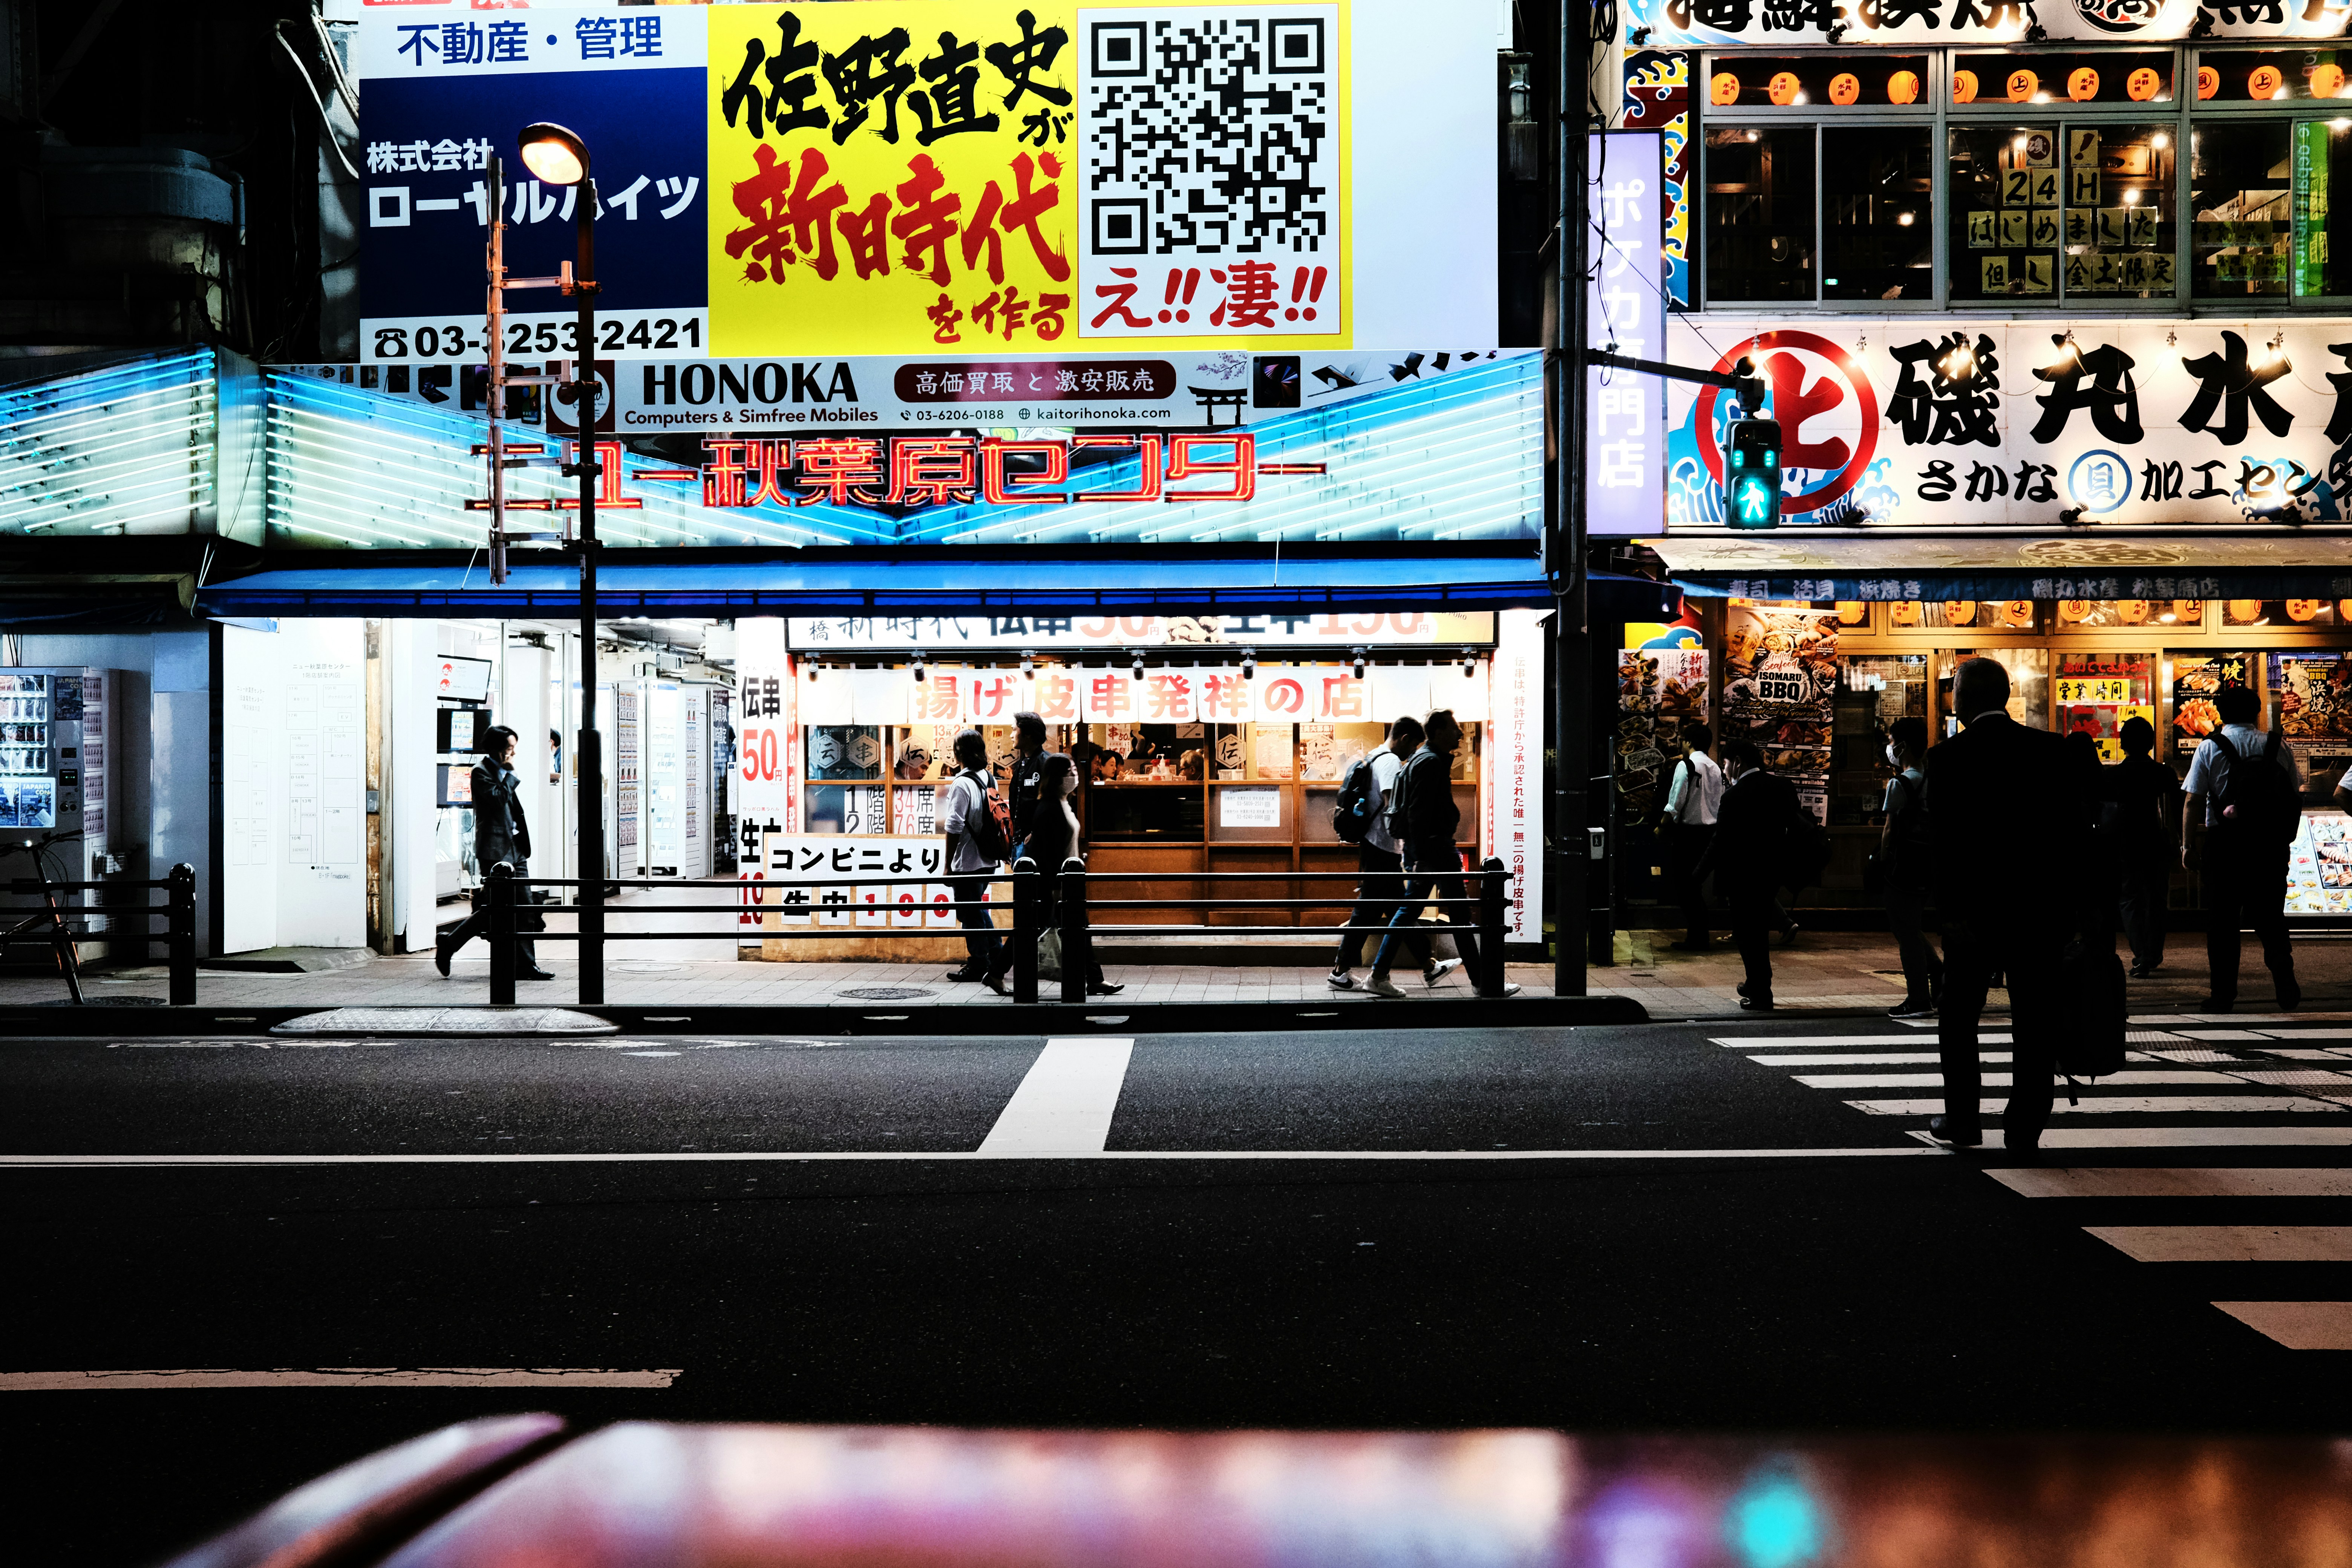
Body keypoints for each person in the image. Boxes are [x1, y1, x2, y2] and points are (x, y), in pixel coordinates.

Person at [1922, 657, 2092, 1153]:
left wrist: (1949, 911)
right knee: (2035, 1020)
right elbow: (2071, 835)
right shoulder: (2049, 751)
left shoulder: (1948, 757)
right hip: (2039, 910)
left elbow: (1945, 843)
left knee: (1959, 1016)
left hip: (1974, 912)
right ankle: (2024, 1128)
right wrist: (2075, 910)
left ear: (1966, 699)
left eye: (1954, 691)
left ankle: (1963, 1118)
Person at [1364, 710, 1521, 999]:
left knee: (1435, 914)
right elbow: (1419, 813)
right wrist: (1421, 855)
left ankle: (1381, 975)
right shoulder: (1431, 763)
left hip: (1431, 850)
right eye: (1455, 729)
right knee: (1444, 915)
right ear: (1437, 732)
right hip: (1434, 851)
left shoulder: (1423, 760)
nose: (1460, 735)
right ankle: (1380, 975)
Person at [2182, 684, 2301, 1012]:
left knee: (2222, 922)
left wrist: (2187, 845)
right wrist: (2285, 838)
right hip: (2268, 845)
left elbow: (2193, 800)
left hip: (2225, 845)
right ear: (2257, 712)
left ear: (2221, 713)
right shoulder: (2278, 746)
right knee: (2270, 918)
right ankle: (2285, 981)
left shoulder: (2210, 746)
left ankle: (2223, 995)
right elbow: (2294, 793)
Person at [1329, 717, 1460, 991]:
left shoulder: (1373, 755)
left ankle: (1428, 965)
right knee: (1375, 910)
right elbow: (1394, 806)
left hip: (1375, 844)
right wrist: (1407, 847)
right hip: (1382, 846)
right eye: (1413, 745)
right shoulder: (1388, 761)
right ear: (1404, 739)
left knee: (1396, 908)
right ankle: (1345, 972)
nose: (1414, 752)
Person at [437, 725, 553, 981]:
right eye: (509, 748)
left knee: (523, 908)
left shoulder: (500, 771)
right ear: (496, 749)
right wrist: (509, 776)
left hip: (516, 848)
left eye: (514, 748)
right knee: (495, 908)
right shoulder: (481, 773)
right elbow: (498, 799)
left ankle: (525, 965)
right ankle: (450, 943)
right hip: (495, 851)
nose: (512, 753)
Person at [1697, 739, 1801, 1011]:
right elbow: (1795, 828)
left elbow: (1719, 842)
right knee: (1758, 932)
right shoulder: (1783, 787)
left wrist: (1697, 875)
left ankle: (1760, 990)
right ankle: (1756, 984)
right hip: (1771, 873)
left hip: (1741, 876)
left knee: (1748, 935)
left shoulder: (1734, 796)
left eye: (1726, 763)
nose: (1725, 768)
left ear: (1738, 762)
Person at [1024, 751, 1122, 996]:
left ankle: (1094, 979)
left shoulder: (1063, 802)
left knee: (1045, 928)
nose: (1074, 776)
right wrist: (1058, 886)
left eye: (1075, 772)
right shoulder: (1049, 808)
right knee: (1038, 929)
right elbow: (1049, 851)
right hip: (1057, 884)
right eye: (1070, 772)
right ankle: (1093, 979)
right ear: (1057, 777)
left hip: (1067, 883)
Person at [1879, 716, 1942, 1018]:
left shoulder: (1899, 783)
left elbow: (1890, 830)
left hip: (1902, 866)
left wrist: (1881, 861)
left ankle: (1919, 997)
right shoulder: (1931, 779)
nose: (1890, 747)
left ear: (1902, 746)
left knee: (1905, 931)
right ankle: (1937, 972)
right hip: (1926, 862)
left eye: (1892, 742)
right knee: (1911, 926)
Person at [940, 727, 1008, 994]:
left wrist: (948, 864)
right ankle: (996, 956)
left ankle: (980, 963)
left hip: (968, 859)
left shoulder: (962, 783)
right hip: (989, 857)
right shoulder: (988, 777)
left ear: (959, 754)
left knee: (970, 913)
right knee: (977, 909)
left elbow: (954, 825)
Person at [1662, 723, 1723, 951]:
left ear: (1688, 741)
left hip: (1688, 834)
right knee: (1695, 885)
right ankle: (1699, 937)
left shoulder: (1686, 765)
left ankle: (1697, 939)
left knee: (1686, 888)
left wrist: (1662, 825)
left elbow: (1676, 801)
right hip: (1710, 834)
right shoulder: (1716, 768)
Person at [1008, 712, 1048, 860]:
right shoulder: (1021, 765)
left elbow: (1053, 804)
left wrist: (1036, 833)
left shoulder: (1046, 763)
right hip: (1018, 840)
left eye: (1014, 730)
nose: (1011, 736)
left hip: (1037, 842)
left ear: (1029, 734)